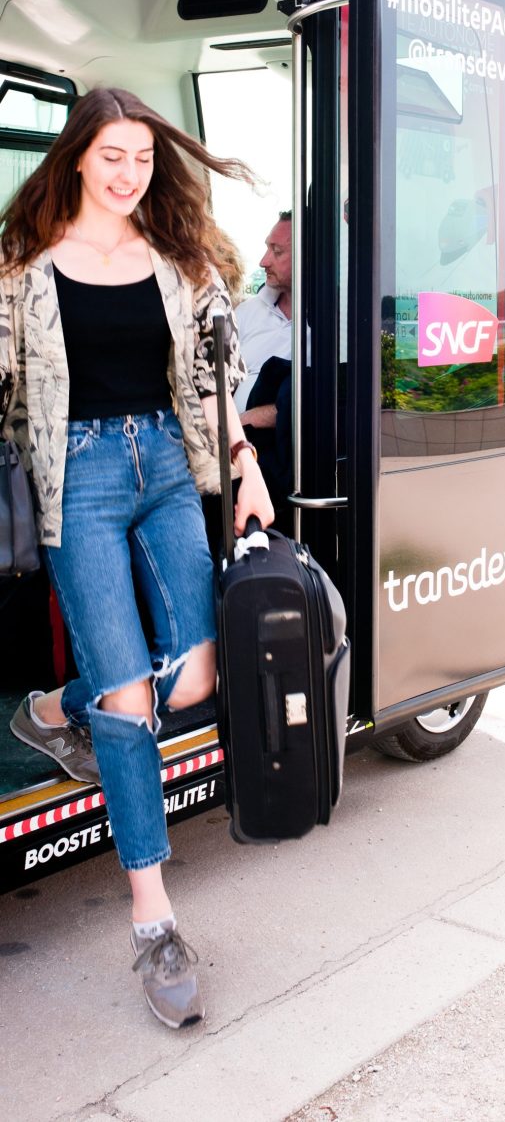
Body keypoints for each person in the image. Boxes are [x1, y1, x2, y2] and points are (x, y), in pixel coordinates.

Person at [0, 87, 273, 1030]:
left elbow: (212, 378)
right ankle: (153, 920)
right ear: (77, 155)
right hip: (77, 479)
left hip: (164, 464)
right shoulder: (21, 267)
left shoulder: (176, 258)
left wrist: (242, 464)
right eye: (112, 155)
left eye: (143, 158)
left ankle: (49, 710)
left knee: (190, 677)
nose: (128, 173)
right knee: (130, 699)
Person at [233, 210, 292, 427]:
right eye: (267, 248)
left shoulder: (330, 324)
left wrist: (250, 419)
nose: (263, 261)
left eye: (276, 252)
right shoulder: (248, 311)